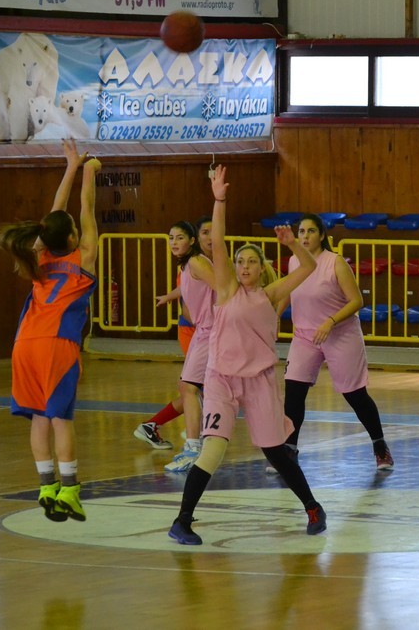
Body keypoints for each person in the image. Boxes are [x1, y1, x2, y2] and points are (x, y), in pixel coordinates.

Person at [169, 165, 327, 545]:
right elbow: (218, 239)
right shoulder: (226, 289)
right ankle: (182, 521)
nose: (243, 266)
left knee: (275, 451)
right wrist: (219, 200)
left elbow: (308, 266)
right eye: (240, 261)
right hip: (221, 378)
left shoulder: (270, 295)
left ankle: (312, 507)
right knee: (213, 448)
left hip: (259, 380)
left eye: (250, 262)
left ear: (261, 268)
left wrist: (292, 243)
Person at [0, 138, 100, 522]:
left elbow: (56, 213)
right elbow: (86, 208)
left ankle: (46, 486)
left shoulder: (39, 256)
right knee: (61, 419)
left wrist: (71, 167)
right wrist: (90, 171)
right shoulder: (83, 257)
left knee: (39, 417)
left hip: (24, 343)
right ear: (71, 238)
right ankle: (69, 490)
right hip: (57, 344)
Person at [274, 213, 394, 474]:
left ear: (321, 235)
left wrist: (330, 322)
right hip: (305, 335)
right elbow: (287, 292)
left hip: (340, 333)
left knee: (355, 395)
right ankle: (289, 448)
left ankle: (379, 444)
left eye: (310, 231)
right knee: (294, 390)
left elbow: (357, 301)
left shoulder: (335, 262)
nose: (305, 236)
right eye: (301, 231)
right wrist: (274, 316)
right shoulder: (294, 261)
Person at [133, 220, 215, 475]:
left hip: (210, 331)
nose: (174, 242)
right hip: (203, 331)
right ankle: (197, 444)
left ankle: (194, 448)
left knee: (192, 388)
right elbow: (195, 286)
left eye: (180, 237)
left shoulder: (197, 262)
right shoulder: (190, 264)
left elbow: (224, 288)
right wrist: (171, 296)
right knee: (192, 388)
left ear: (191, 241)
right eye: (171, 238)